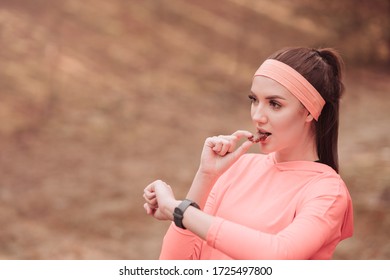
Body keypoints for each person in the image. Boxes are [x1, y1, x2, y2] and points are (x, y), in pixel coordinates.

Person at [143, 47, 353, 260]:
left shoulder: (327, 191)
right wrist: (205, 177)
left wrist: (178, 210)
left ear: (310, 111)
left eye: (274, 104)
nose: (257, 116)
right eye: (254, 100)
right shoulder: (238, 168)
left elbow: (280, 255)